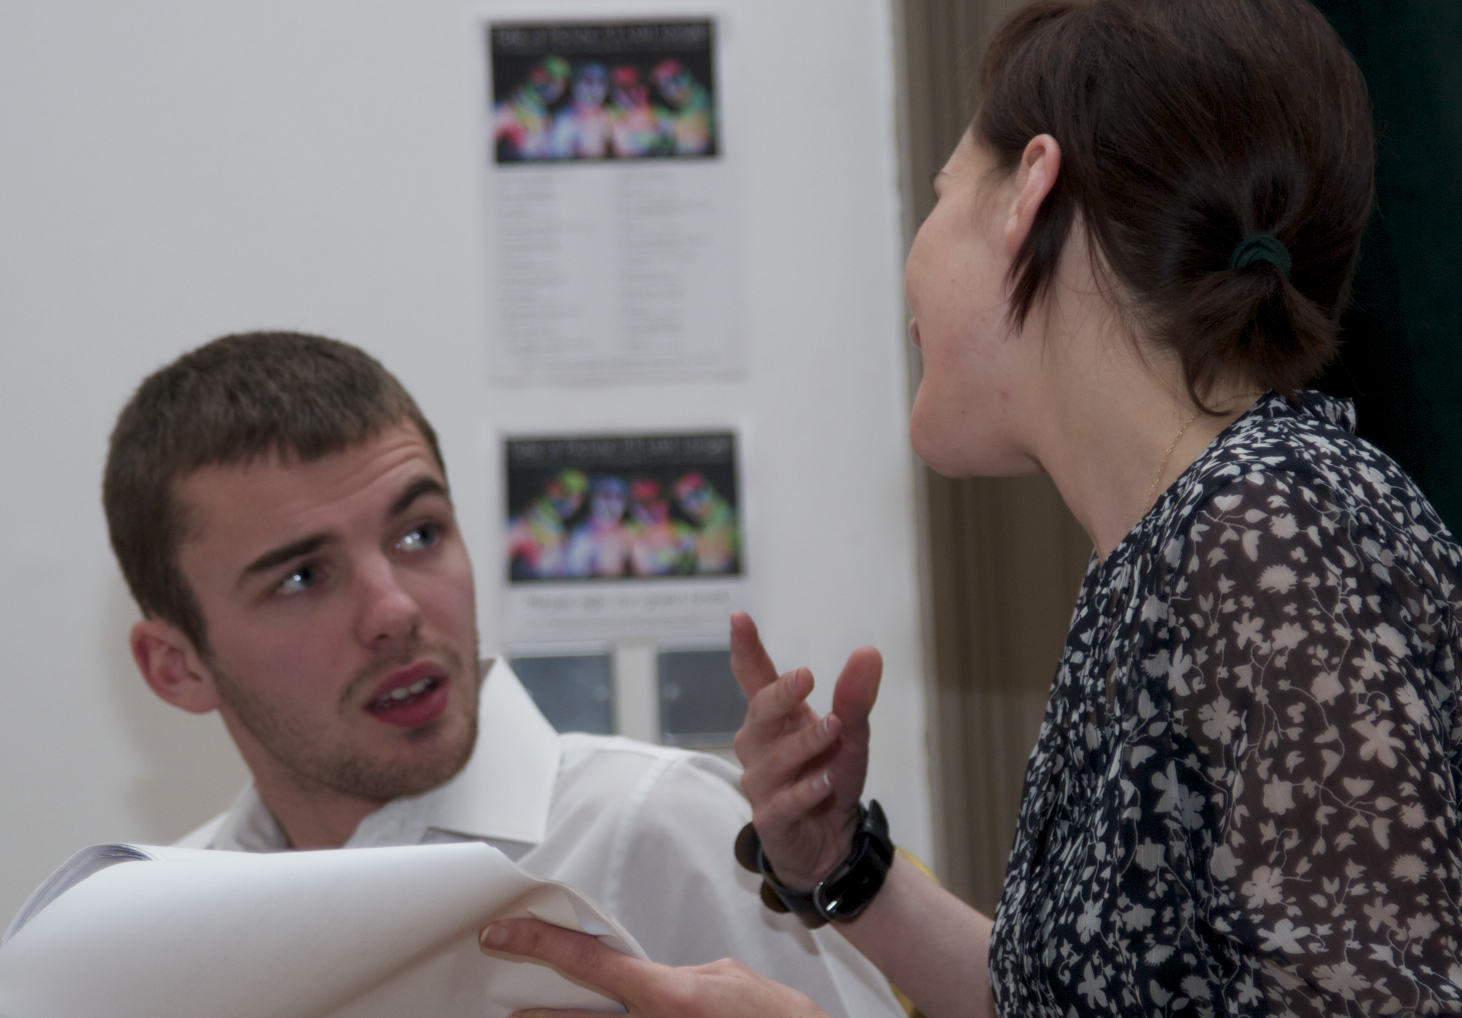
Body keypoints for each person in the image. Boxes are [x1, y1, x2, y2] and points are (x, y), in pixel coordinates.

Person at [480, 1, 1462, 1015]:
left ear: (1024, 190)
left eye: (944, 191)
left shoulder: (1268, 530)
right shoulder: (1168, 551)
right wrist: (843, 866)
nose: (913, 259)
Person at [102, 331, 903, 1018]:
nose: (395, 610)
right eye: (303, 578)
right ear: (176, 668)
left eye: (418, 535)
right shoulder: (153, 927)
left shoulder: (663, 829)